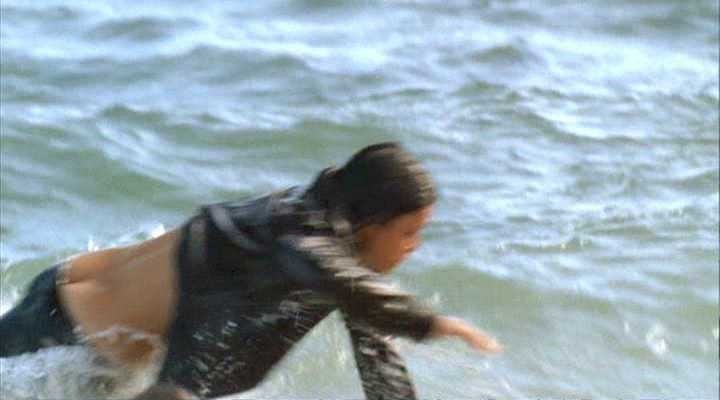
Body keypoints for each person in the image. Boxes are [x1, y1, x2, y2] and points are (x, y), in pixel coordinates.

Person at [0, 142, 502, 399]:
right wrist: (426, 322)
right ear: (372, 225)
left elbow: (378, 360)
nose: (415, 248)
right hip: (61, 324)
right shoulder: (293, 239)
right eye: (409, 233)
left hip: (98, 354)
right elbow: (320, 265)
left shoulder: (333, 254)